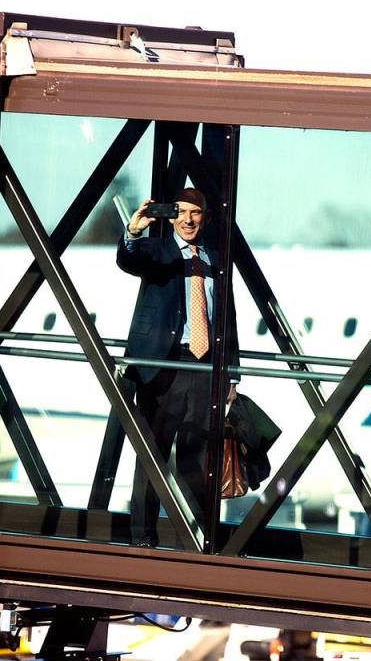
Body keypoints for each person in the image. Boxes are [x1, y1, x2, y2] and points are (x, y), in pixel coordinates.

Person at [116, 187, 239, 547]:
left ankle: (204, 538)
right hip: (164, 366)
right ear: (171, 217)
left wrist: (232, 373)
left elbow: (228, 320)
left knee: (198, 457)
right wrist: (133, 230)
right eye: (180, 213)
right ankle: (143, 538)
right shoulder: (157, 252)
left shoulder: (216, 259)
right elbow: (128, 260)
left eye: (195, 214)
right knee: (152, 453)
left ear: (206, 218)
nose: (187, 220)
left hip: (205, 368)